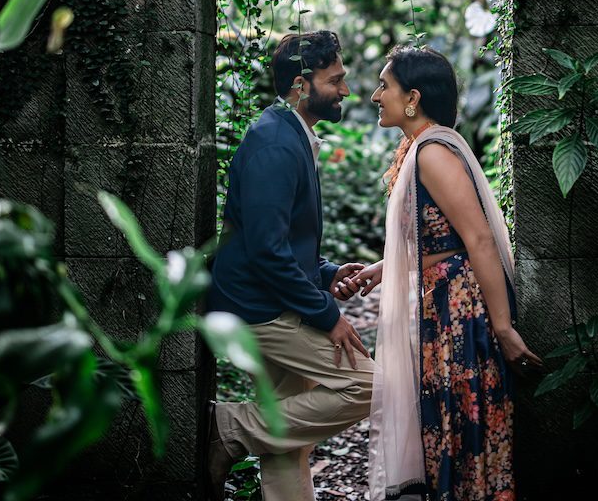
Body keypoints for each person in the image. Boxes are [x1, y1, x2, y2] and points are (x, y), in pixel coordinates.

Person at [336, 45, 542, 501]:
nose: (375, 96)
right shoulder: (419, 148)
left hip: (459, 309)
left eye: (384, 86)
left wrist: (503, 329)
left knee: (462, 418)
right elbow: (439, 239)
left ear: (412, 98)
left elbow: (478, 239)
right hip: (442, 304)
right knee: (451, 418)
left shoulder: (432, 153)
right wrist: (382, 269)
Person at [205, 30, 374, 501]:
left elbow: (279, 238)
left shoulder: (288, 132)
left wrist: (326, 273)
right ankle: (230, 427)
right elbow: (266, 250)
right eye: (335, 80)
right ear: (301, 84)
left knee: (287, 442)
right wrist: (326, 315)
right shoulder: (276, 144)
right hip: (257, 308)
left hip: (267, 298)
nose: (345, 90)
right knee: (371, 386)